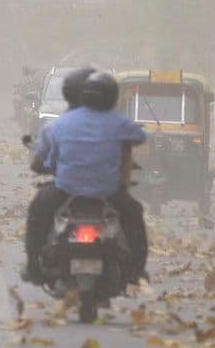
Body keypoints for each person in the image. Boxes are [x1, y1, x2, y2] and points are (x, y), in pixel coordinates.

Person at [22, 71, 149, 285]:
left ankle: (33, 265)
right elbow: (140, 137)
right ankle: (137, 270)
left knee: (38, 212)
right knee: (134, 216)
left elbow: (40, 161)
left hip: (66, 189)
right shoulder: (119, 122)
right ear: (112, 97)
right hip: (109, 191)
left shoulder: (58, 124)